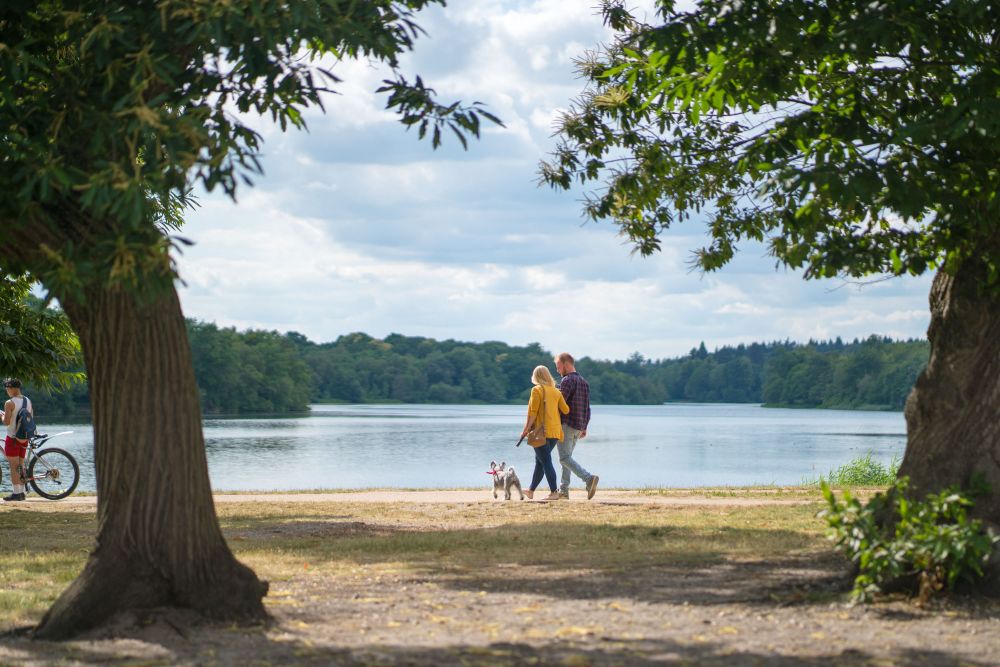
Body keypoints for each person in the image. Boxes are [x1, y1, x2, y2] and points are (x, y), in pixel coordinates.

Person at [520, 365, 569, 501]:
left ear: (536, 376)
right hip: (555, 432)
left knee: (545, 461)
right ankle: (531, 491)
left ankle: (554, 492)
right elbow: (566, 410)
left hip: (541, 432)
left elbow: (533, 413)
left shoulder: (536, 390)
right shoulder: (556, 391)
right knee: (540, 461)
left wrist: (525, 430)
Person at [554, 352, 599, 499]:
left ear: (566, 364)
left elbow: (559, 404)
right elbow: (587, 407)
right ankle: (564, 491)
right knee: (568, 459)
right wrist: (584, 427)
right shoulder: (584, 382)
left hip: (566, 424)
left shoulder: (567, 381)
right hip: (578, 426)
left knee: (564, 458)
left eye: (558, 366)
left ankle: (588, 478)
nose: (557, 370)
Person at [2, 378, 32, 502]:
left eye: (7, 389)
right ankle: (21, 493)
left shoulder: (9, 403)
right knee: (20, 465)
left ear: (12, 388)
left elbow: (7, 422)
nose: (7, 391)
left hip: (13, 438)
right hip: (24, 438)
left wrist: (2, 415)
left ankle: (16, 493)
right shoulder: (28, 400)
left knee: (13, 466)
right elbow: (31, 419)